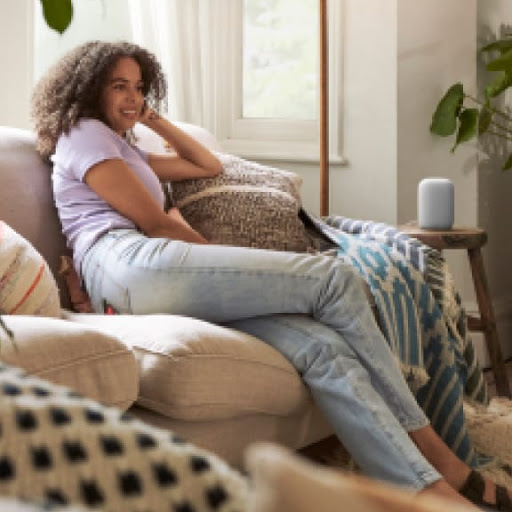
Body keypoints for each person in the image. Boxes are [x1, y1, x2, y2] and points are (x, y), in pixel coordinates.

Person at [31, 40, 510, 510]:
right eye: (119, 87)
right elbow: (155, 222)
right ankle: (435, 451)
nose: (133, 96)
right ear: (90, 91)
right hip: (124, 261)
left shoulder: (123, 148)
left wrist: (150, 116)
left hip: (146, 270)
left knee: (324, 349)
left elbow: (207, 164)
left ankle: (424, 493)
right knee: (332, 280)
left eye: (140, 86)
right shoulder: (84, 133)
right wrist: (220, 258)